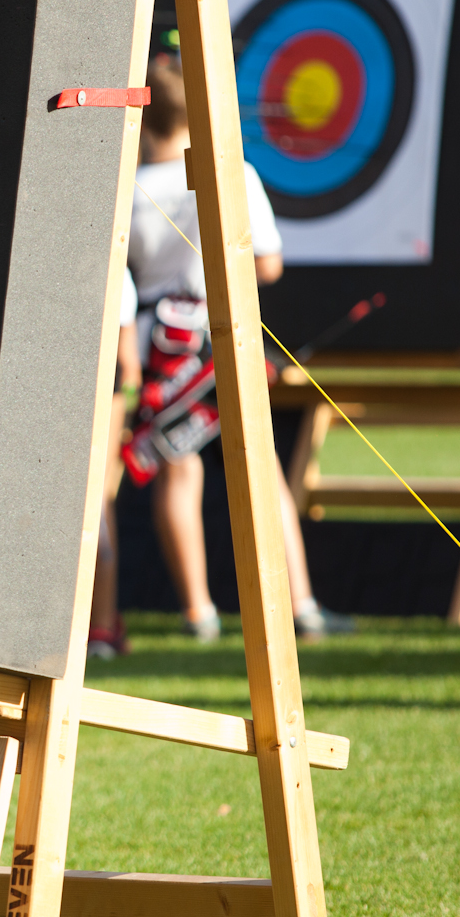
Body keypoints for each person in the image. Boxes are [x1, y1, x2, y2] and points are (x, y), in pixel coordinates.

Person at [124, 54, 353, 644]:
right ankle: (300, 606)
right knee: (260, 467)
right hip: (220, 333)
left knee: (178, 470)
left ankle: (198, 612)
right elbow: (268, 264)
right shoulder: (233, 172)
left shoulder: (128, 185)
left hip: (159, 345)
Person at [86, 274, 139, 659]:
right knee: (98, 501)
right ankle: (101, 627)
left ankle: (102, 626)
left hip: (102, 391)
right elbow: (130, 367)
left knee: (97, 504)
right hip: (106, 392)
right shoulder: (116, 270)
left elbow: (129, 370)